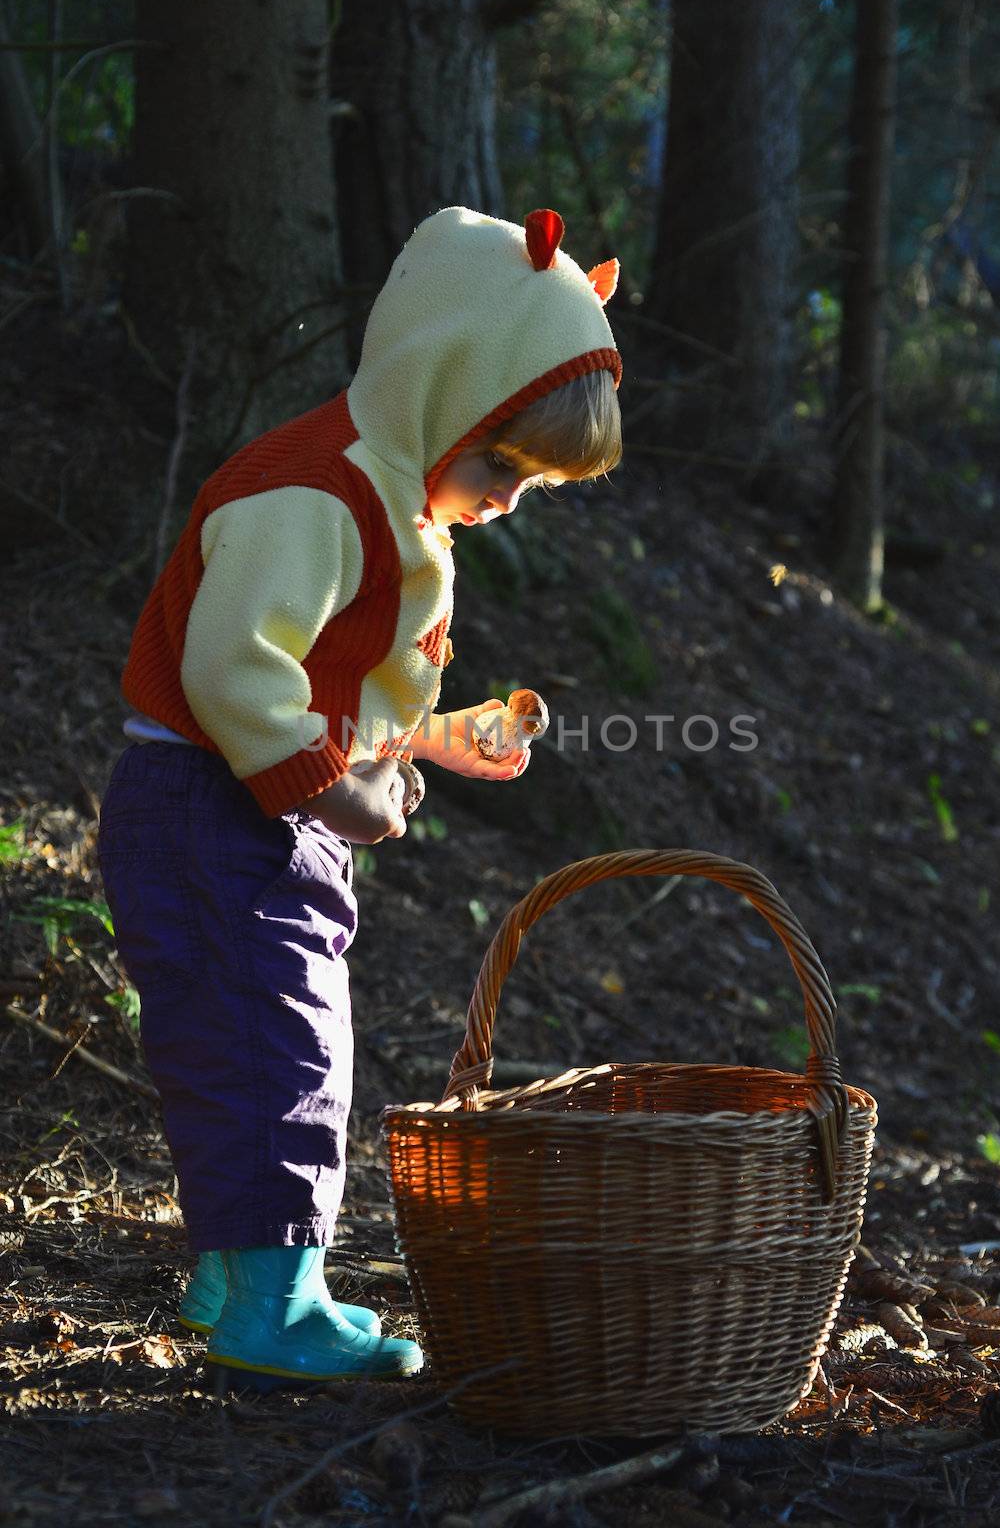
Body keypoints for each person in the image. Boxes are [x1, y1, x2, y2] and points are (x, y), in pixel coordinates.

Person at [97, 206, 623, 1393]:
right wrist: (331, 792)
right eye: (499, 461)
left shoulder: (387, 495)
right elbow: (235, 671)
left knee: (255, 1038)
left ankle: (237, 1281)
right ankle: (275, 1301)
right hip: (212, 808)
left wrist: (436, 737)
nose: (505, 499)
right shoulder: (315, 494)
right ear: (434, 383)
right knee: (277, 1045)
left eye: (531, 481)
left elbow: (326, 677)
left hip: (250, 807)